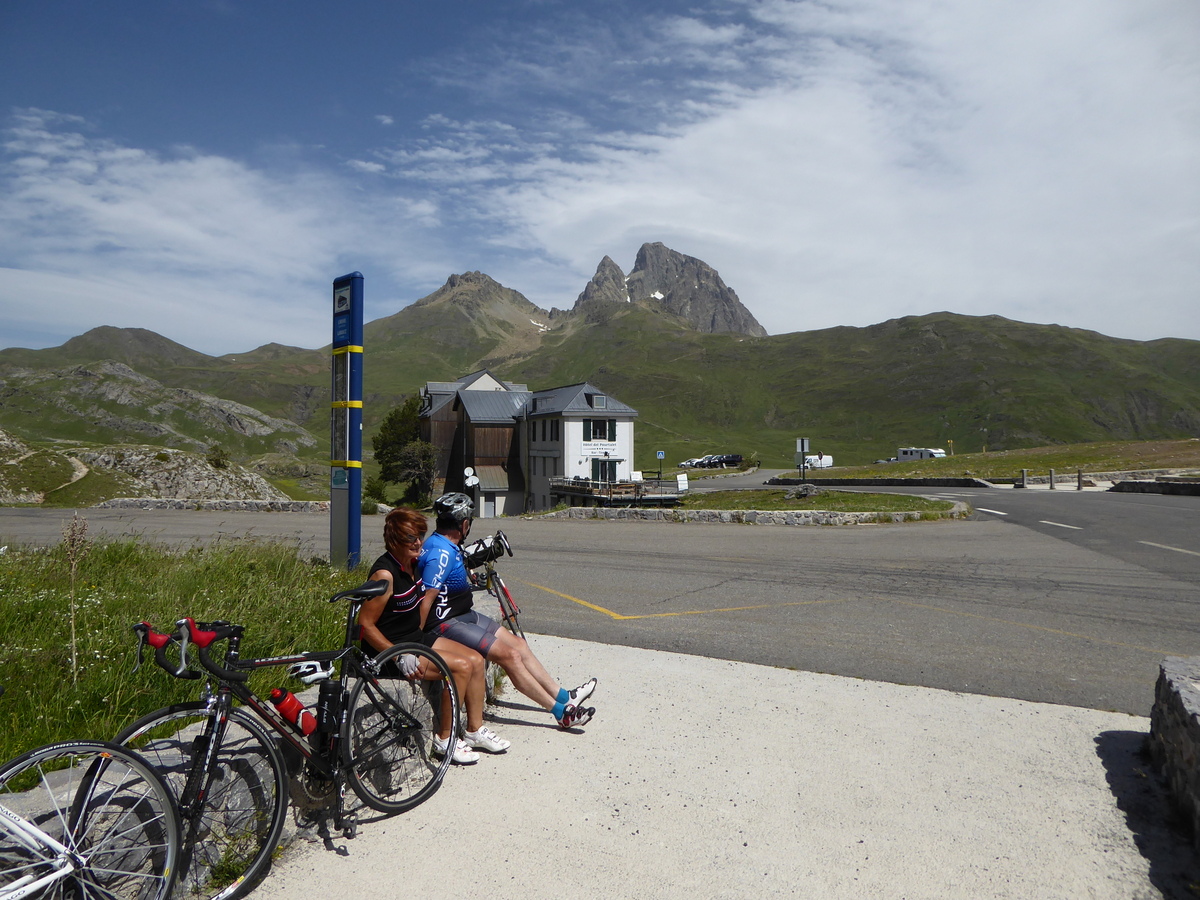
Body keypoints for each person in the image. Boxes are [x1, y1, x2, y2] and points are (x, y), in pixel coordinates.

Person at [418, 492, 597, 729]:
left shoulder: (446, 545)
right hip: (446, 622)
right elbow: (427, 598)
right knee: (510, 656)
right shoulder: (440, 553)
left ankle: (564, 696)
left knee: (519, 645)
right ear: (464, 524)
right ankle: (561, 713)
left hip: (463, 614)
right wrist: (416, 640)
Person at [360, 506, 510, 765]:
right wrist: (396, 656)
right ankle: (445, 739)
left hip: (414, 638)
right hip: (391, 650)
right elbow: (365, 625)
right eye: (410, 538)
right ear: (394, 539)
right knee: (461, 667)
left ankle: (474, 731)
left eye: (420, 536)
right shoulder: (385, 574)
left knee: (476, 659)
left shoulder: (413, 564)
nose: (418, 542)